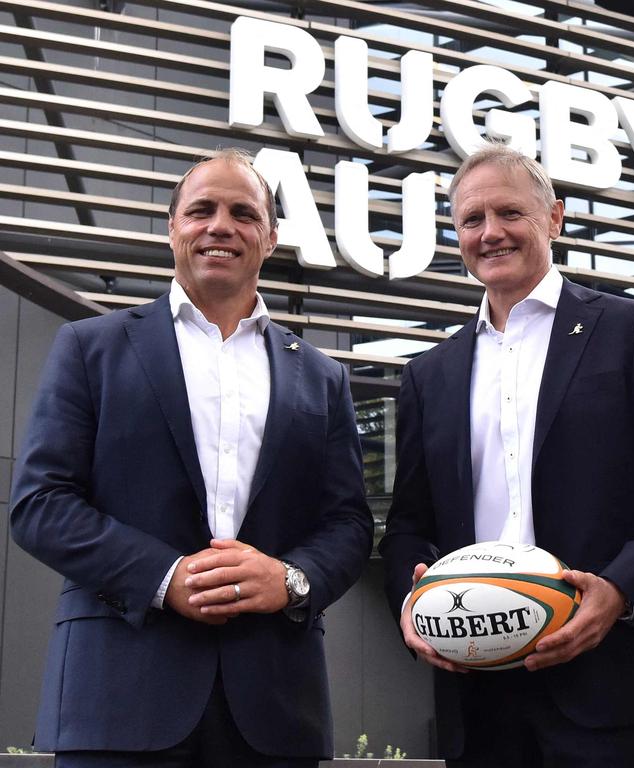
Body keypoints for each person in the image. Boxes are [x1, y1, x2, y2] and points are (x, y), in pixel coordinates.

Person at [10, 149, 373, 767]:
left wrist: (288, 580)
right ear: (173, 226)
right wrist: (163, 577)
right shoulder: (90, 348)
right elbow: (40, 504)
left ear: (270, 236)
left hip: (276, 711)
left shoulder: (321, 376)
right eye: (201, 210)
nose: (220, 225)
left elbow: (349, 524)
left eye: (243, 212)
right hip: (117, 699)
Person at [379, 142, 634, 767]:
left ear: (554, 217)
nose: (490, 232)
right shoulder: (429, 374)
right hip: (476, 691)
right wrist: (412, 607)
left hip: (608, 679)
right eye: (472, 220)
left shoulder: (632, 331)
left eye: (509, 214)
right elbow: (409, 526)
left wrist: (620, 591)